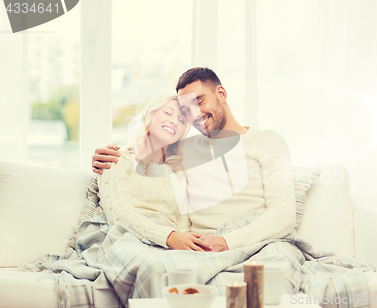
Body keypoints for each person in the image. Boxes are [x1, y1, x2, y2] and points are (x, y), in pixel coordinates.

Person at [92, 67, 296, 252]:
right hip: (201, 246)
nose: (194, 114)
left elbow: (284, 214)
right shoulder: (183, 151)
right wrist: (108, 154)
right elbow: (147, 150)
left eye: (199, 101)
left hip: (255, 240)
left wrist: (227, 242)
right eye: (186, 111)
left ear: (221, 94)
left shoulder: (268, 141)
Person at [96, 95, 211, 251]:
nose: (174, 121)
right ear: (150, 115)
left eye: (182, 120)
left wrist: (186, 247)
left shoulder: (178, 173)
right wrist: (169, 237)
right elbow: (118, 214)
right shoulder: (117, 159)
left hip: (167, 246)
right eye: (168, 113)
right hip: (124, 239)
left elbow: (182, 222)